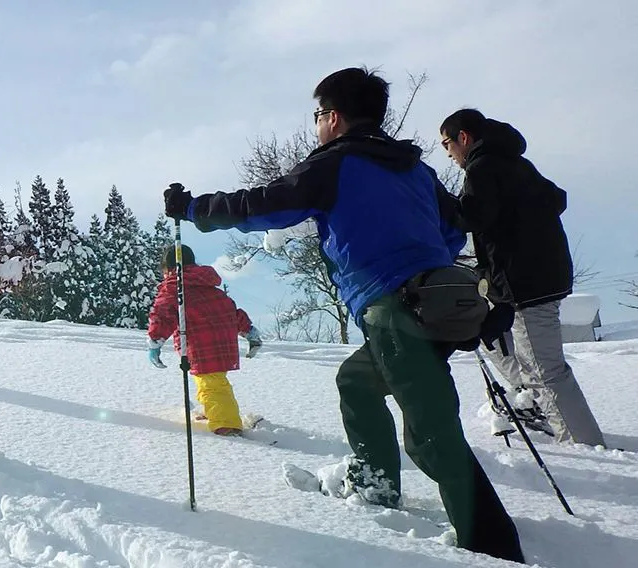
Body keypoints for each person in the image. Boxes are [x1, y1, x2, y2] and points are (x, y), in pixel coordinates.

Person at [162, 67, 524, 563]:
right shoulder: (417, 170)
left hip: (394, 311)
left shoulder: (335, 165)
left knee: (432, 435)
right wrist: (427, 270)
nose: (317, 125)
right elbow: (453, 228)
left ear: (333, 117)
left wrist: (193, 209)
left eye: (318, 115)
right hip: (431, 303)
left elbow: (262, 205)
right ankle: (374, 484)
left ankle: (494, 548)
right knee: (356, 382)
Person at [440, 108, 607, 447]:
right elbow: (555, 198)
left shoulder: (482, 168)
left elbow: (472, 217)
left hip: (524, 283)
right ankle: (536, 407)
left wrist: (438, 201)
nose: (448, 154)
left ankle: (584, 445)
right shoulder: (517, 164)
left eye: (447, 144)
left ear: (464, 138)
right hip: (542, 277)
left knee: (545, 370)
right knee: (505, 344)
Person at [146, 244, 263, 436]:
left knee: (213, 386)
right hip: (223, 344)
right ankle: (214, 412)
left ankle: (227, 425)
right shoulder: (209, 287)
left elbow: (163, 315)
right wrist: (249, 332)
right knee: (210, 381)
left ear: (168, 269)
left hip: (202, 347)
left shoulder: (174, 289)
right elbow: (231, 311)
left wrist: (155, 342)